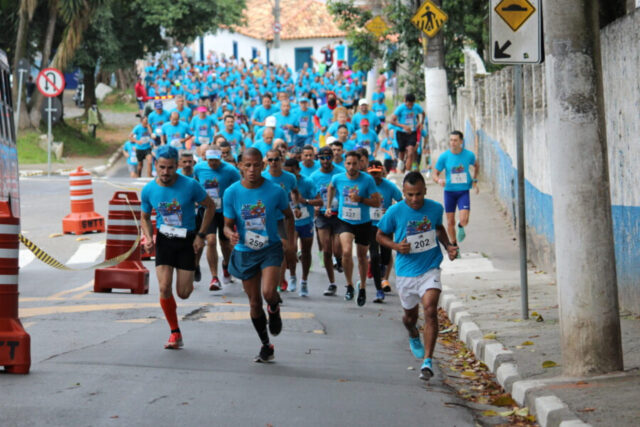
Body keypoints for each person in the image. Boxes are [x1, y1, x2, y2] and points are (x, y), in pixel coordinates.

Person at [376, 172, 458, 380]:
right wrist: (395, 245)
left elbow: (438, 228)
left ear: (425, 191)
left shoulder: (435, 208)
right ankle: (413, 332)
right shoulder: (395, 211)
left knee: (430, 309)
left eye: (419, 194)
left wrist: (448, 246)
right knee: (409, 318)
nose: (414, 199)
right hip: (405, 273)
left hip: (430, 268)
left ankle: (428, 361)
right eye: (410, 195)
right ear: (403, 192)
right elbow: (380, 235)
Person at [223, 148, 295, 363]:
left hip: (269, 248)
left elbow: (288, 216)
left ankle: (274, 306)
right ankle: (266, 345)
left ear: (263, 166)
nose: (252, 169)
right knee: (254, 303)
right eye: (247, 165)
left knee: (268, 292)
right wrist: (230, 235)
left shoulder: (275, 191)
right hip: (245, 251)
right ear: (240, 166)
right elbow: (226, 225)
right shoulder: (231, 192)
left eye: (256, 165)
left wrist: (289, 243)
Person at [141, 145, 216, 349]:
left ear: (177, 166)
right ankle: (175, 332)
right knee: (164, 287)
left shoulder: (190, 185)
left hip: (187, 240)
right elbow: (145, 217)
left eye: (171, 168)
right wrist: (148, 237)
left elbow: (210, 206)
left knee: (183, 293)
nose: (166, 172)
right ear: (156, 165)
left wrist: (201, 235)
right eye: (162, 167)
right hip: (165, 240)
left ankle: (192, 270)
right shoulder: (149, 189)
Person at [325, 151, 381, 306]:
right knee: (347, 252)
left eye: (354, 163)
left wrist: (361, 199)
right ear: (344, 164)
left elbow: (377, 202)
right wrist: (328, 206)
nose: (351, 167)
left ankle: (362, 287)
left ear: (360, 164)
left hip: (363, 222)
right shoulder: (338, 178)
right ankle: (349, 285)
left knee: (363, 256)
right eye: (348, 163)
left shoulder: (367, 180)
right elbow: (331, 188)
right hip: (345, 221)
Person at [194, 147, 242, 290]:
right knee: (211, 240)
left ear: (220, 158)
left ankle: (226, 266)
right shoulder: (199, 168)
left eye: (215, 160)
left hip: (225, 211)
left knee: (225, 243)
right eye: (210, 161)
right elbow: (195, 183)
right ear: (206, 159)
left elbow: (238, 188)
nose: (213, 163)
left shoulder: (230, 170)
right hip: (208, 210)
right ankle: (214, 277)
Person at [262, 149, 299, 292]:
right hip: (265, 219)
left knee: (284, 248)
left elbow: (295, 192)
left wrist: (296, 206)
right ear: (266, 161)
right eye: (270, 160)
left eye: (276, 160)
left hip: (282, 218)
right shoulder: (263, 176)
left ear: (281, 160)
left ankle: (280, 279)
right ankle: (268, 277)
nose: (273, 163)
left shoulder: (290, 178)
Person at [433, 130, 479, 246]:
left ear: (461, 142)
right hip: (449, 192)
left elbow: (476, 165)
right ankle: (454, 245)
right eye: (451, 140)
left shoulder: (469, 155)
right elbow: (435, 174)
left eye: (455, 140)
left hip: (463, 191)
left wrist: (474, 180)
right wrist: (439, 180)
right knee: (450, 222)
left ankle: (460, 226)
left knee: (464, 220)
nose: (453, 143)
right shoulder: (444, 157)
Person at [310, 146, 345, 296]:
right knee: (326, 249)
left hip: (339, 214)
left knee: (337, 248)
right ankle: (332, 283)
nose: (325, 161)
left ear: (332, 157)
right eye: (322, 158)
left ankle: (339, 259)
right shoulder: (314, 177)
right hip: (323, 215)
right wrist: (315, 207)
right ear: (318, 159)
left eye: (328, 157)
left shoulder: (340, 173)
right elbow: (311, 196)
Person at [283, 159, 321, 296]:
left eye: (292, 172)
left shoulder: (307, 182)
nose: (289, 176)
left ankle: (304, 281)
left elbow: (320, 201)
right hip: (290, 222)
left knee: (306, 252)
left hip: (305, 221)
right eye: (286, 173)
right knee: (290, 249)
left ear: (298, 170)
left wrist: (305, 201)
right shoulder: (283, 181)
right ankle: (292, 276)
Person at [367, 161, 402, 302]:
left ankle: (382, 268)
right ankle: (378, 290)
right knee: (374, 256)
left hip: (385, 225)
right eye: (372, 173)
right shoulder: (365, 185)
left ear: (382, 172)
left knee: (386, 256)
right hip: (369, 225)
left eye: (377, 172)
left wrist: (390, 211)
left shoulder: (389, 186)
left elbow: (400, 201)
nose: (375, 176)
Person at [390, 93, 424, 172]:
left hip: (412, 132)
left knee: (411, 151)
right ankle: (401, 161)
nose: (410, 106)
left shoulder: (416, 107)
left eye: (411, 104)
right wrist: (403, 126)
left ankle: (407, 172)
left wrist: (420, 123)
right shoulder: (400, 108)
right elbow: (392, 121)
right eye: (408, 105)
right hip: (401, 133)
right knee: (402, 151)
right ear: (405, 102)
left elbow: (423, 113)